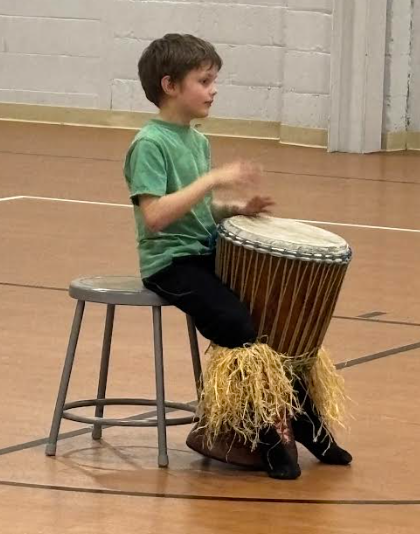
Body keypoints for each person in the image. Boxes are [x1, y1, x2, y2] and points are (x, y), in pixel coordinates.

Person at [124, 33, 352, 479]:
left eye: (213, 81)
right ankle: (268, 434)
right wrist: (212, 181)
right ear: (170, 85)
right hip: (170, 264)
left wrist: (235, 208)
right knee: (236, 325)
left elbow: (198, 208)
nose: (213, 90)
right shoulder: (149, 143)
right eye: (204, 81)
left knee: (276, 315)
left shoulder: (196, 140)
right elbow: (154, 216)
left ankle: (303, 419)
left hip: (204, 252)